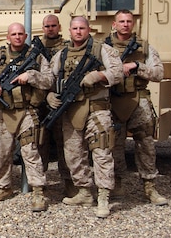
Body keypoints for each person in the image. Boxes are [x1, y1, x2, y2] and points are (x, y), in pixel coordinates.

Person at [47, 16, 122, 218]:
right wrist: (49, 94)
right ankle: (84, 192)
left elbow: (119, 72)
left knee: (101, 151)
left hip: (97, 109)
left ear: (88, 29)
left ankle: (104, 196)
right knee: (73, 153)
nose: (78, 32)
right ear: (69, 31)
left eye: (82, 28)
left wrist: (100, 76)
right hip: (70, 110)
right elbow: (50, 78)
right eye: (75, 28)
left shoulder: (102, 50)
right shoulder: (61, 54)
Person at [0, 22, 53, 212]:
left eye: (21, 34)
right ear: (7, 37)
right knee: (2, 152)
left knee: (30, 152)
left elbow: (49, 80)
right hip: (3, 112)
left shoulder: (36, 56)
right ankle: (3, 187)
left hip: (27, 112)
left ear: (26, 35)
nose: (17, 37)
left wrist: (31, 76)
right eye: (14, 34)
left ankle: (38, 192)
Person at [106, 9, 167, 206]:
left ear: (133, 24)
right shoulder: (104, 47)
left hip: (138, 99)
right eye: (121, 21)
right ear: (114, 24)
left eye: (128, 21)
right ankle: (117, 183)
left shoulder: (145, 48)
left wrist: (136, 67)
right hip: (112, 100)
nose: (125, 24)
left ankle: (149, 186)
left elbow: (158, 73)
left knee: (146, 144)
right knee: (114, 144)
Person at [38, 14, 75, 197]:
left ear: (59, 27)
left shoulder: (67, 48)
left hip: (62, 103)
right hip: (41, 104)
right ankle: (39, 183)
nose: (50, 28)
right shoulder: (35, 50)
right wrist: (45, 96)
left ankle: (68, 182)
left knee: (64, 144)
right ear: (43, 28)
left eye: (53, 25)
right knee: (40, 143)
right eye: (47, 26)